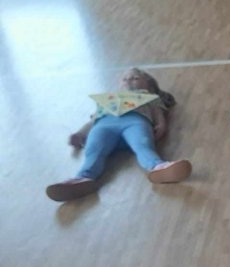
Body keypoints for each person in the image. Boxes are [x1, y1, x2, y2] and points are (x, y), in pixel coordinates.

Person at [45, 68, 191, 202]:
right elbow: (93, 121)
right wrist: (80, 133)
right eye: (125, 79)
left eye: (135, 78)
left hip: (135, 122)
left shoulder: (150, 97)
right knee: (94, 149)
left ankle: (158, 166)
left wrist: (161, 125)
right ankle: (83, 178)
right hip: (104, 125)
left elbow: (158, 114)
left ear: (149, 85)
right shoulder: (108, 99)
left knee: (143, 144)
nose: (129, 80)